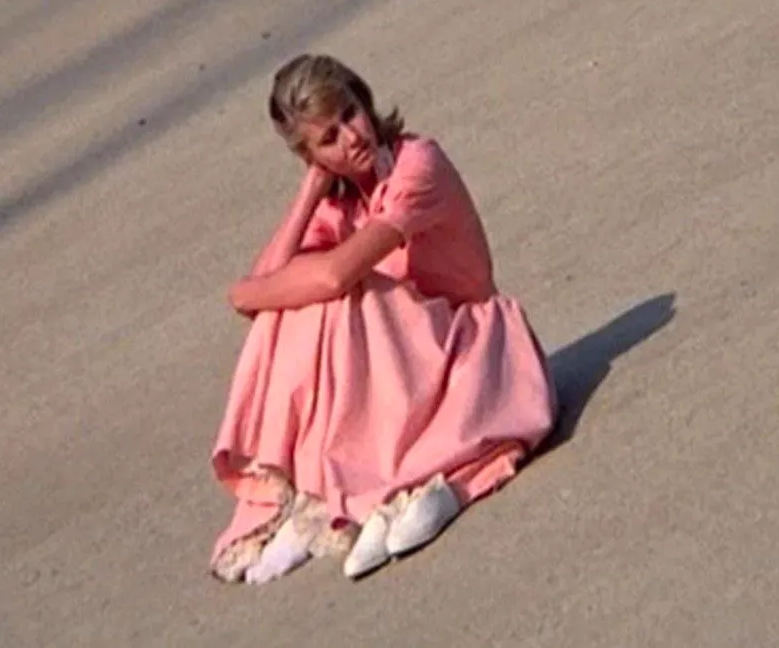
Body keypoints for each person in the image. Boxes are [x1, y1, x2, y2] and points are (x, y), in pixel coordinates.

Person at [207, 53, 557, 584]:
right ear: (312, 157)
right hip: (404, 365)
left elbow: (330, 278)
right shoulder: (339, 201)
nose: (352, 136)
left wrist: (243, 293)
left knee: (337, 285)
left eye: (350, 112)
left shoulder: (418, 164)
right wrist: (309, 193)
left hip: (468, 356)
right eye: (328, 139)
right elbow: (267, 288)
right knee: (294, 298)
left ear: (363, 99)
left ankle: (342, 491)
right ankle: (311, 492)